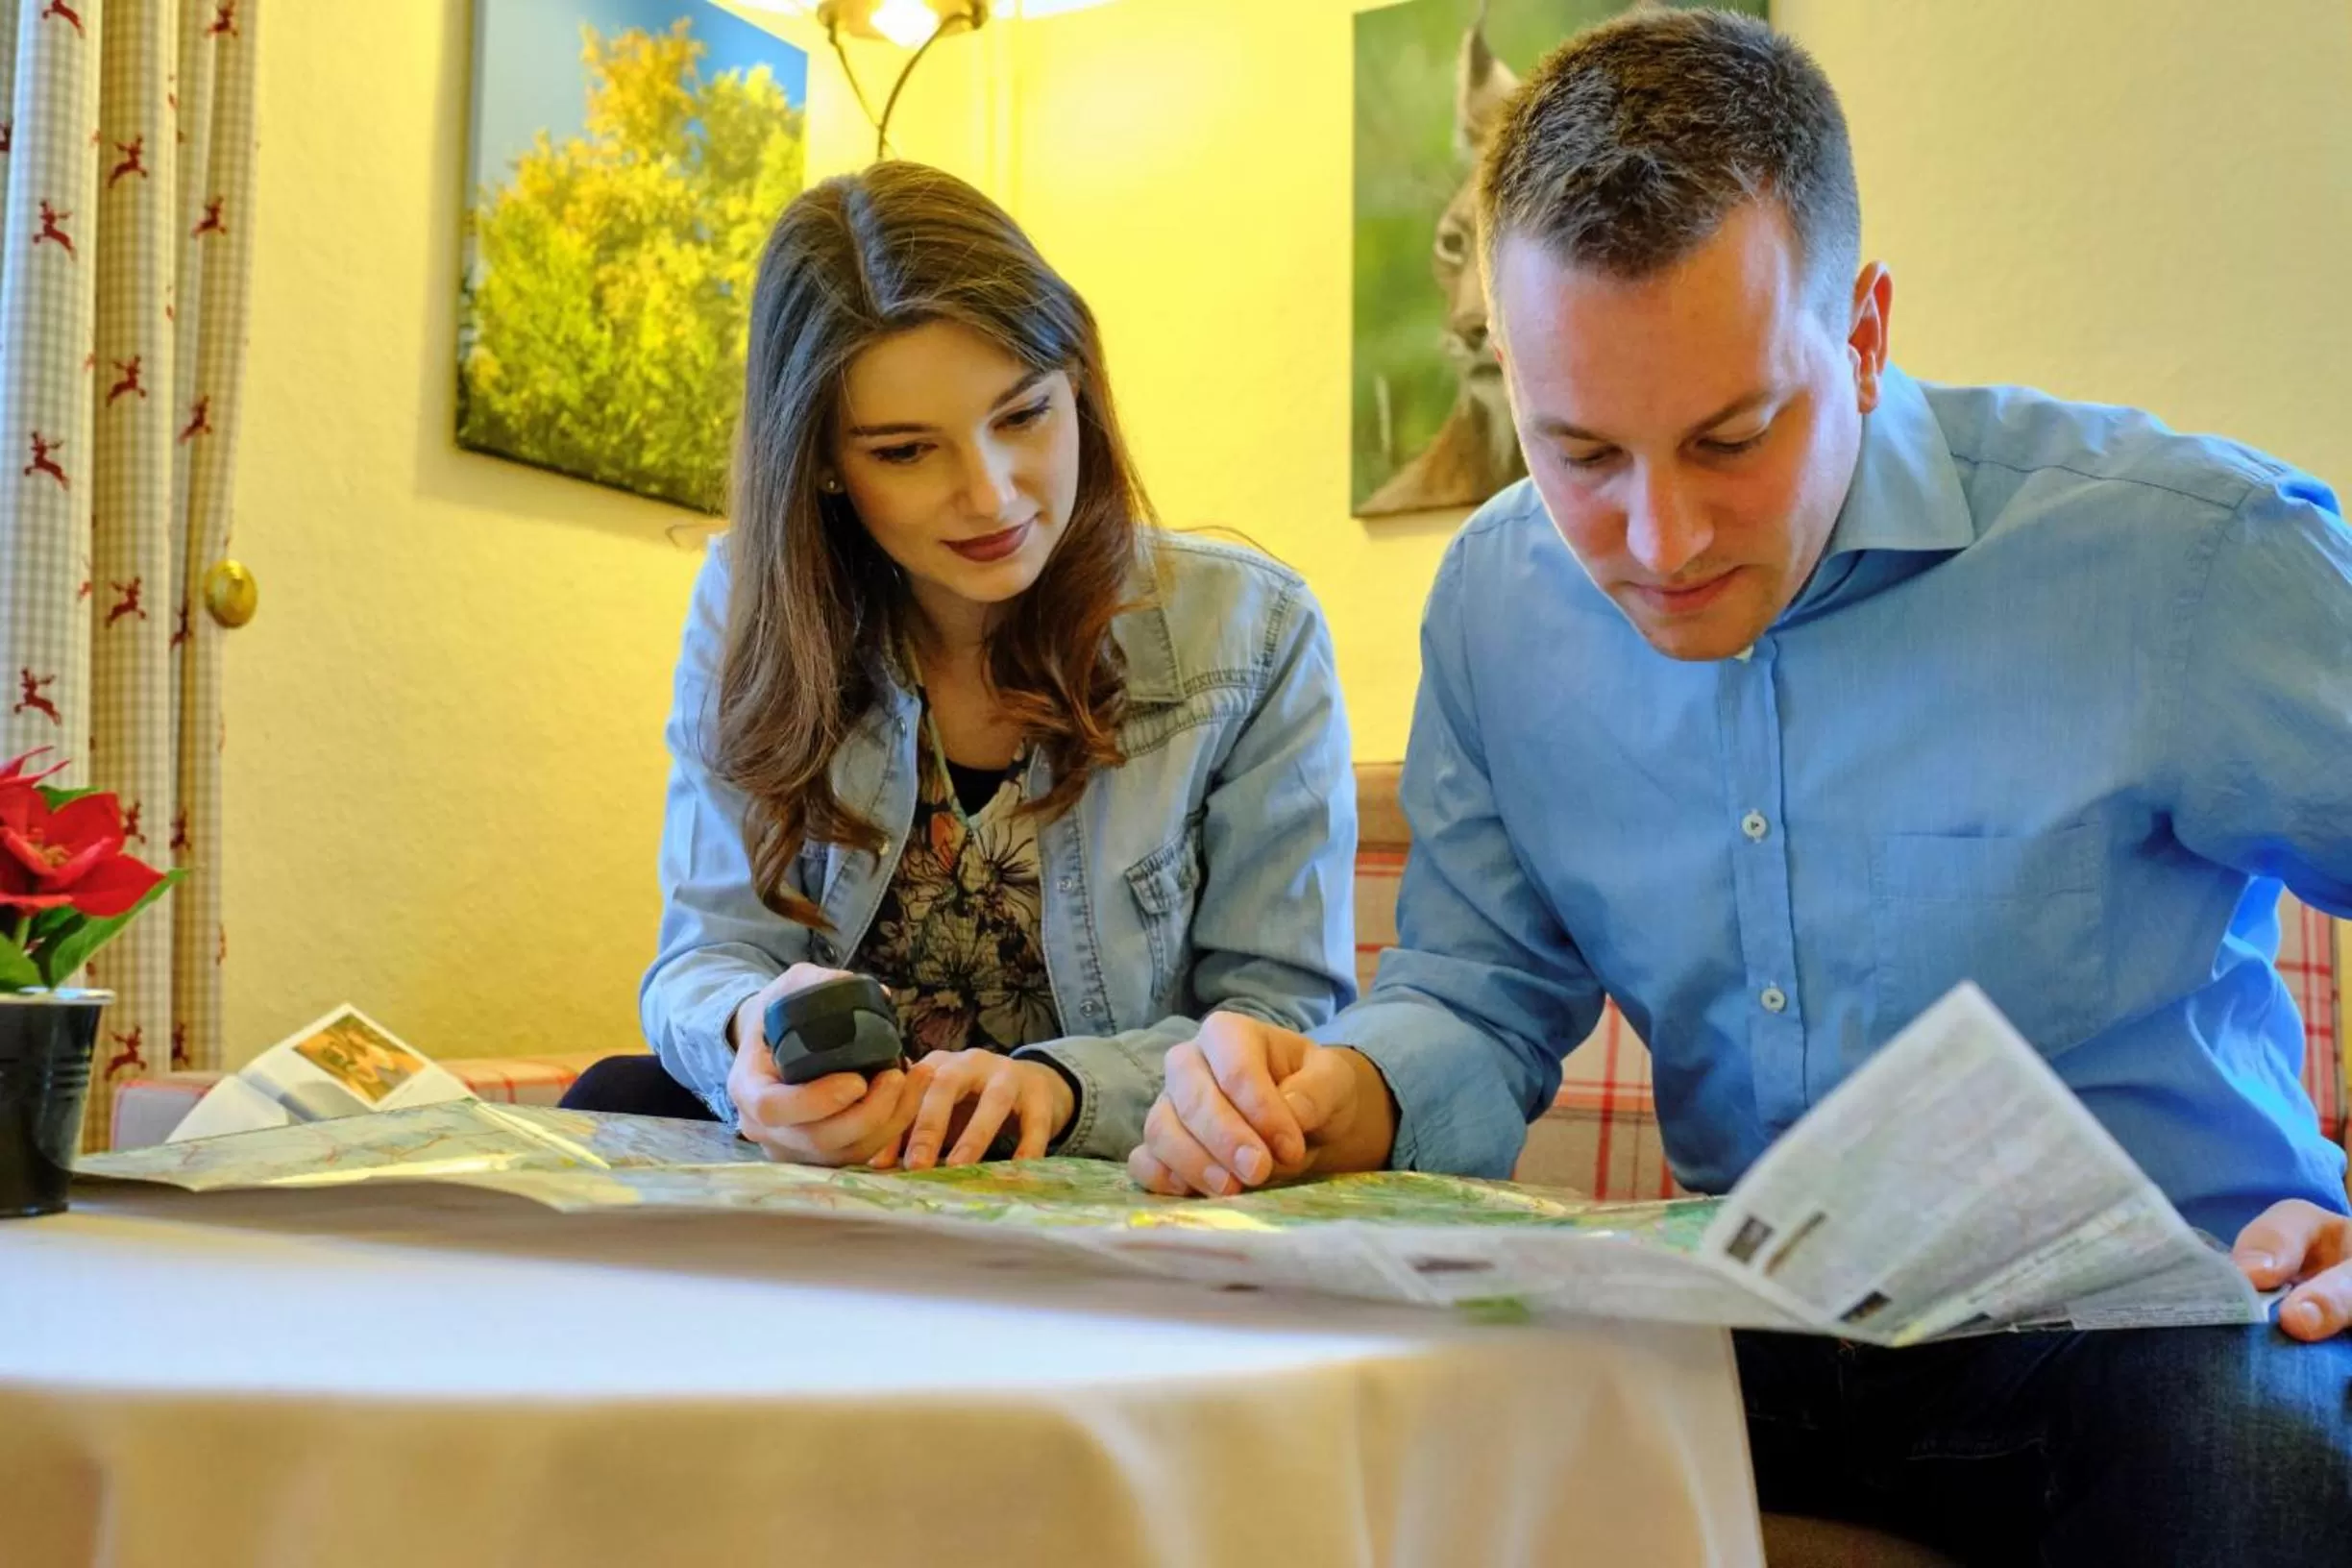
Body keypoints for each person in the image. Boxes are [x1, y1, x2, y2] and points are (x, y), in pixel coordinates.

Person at [1131, 10, 2352, 1560]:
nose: (1658, 541)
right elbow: (1478, 991)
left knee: (2257, 1471)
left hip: (2156, 1325)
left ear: (1860, 333)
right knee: (1306, 1430)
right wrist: (1339, 1094)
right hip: (1745, 1321)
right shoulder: (1498, 607)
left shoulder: (2180, 558)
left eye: (1730, 436)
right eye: (1577, 452)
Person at [567, 160, 1356, 1174]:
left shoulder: (1253, 630)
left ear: (1077, 382)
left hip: (1113, 1171)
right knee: (613, 1096)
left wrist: (1057, 1092)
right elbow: (706, 954)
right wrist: (750, 1035)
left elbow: (1280, 1022)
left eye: (1024, 415)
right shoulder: (751, 605)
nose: (990, 497)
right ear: (820, 465)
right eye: (904, 451)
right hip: (840, 1181)